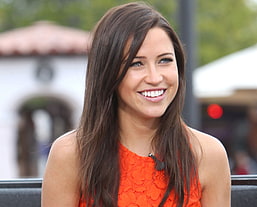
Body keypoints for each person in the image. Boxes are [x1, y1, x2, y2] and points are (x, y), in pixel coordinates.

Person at [41, 2, 231, 206]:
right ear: (108, 73)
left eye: (165, 60)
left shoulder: (209, 154)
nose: (155, 77)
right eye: (136, 63)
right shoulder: (70, 154)